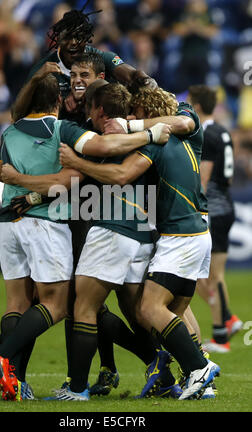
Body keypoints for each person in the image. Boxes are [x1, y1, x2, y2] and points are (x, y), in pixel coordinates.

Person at [0, 75, 171, 401]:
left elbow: (18, 174)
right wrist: (149, 133)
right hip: (97, 224)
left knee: (83, 306)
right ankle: (143, 364)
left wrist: (26, 189)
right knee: (86, 306)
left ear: (96, 108)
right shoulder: (71, 130)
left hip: (102, 225)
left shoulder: (15, 131)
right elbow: (72, 175)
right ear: (58, 101)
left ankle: (22, 364)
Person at [58, 85, 221, 401]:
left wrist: (78, 162)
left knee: (149, 309)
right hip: (199, 234)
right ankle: (200, 381)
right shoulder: (191, 129)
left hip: (179, 237)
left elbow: (120, 174)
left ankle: (200, 367)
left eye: (137, 113)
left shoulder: (157, 145)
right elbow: (182, 121)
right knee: (175, 314)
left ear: (149, 113)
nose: (132, 117)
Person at [11, 1, 157, 122]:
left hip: (102, 129)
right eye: (68, 37)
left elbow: (131, 75)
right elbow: (17, 113)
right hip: (61, 135)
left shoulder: (102, 57)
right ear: (59, 39)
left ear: (87, 39)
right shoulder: (44, 69)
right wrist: (37, 81)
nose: (73, 42)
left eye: (79, 37)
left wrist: (144, 79)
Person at [188, 84, 243, 353]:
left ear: (197, 106)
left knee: (213, 275)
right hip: (226, 204)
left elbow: (203, 179)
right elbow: (229, 176)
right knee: (209, 276)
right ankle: (228, 319)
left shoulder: (207, 134)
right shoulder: (222, 131)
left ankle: (221, 336)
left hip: (215, 209)